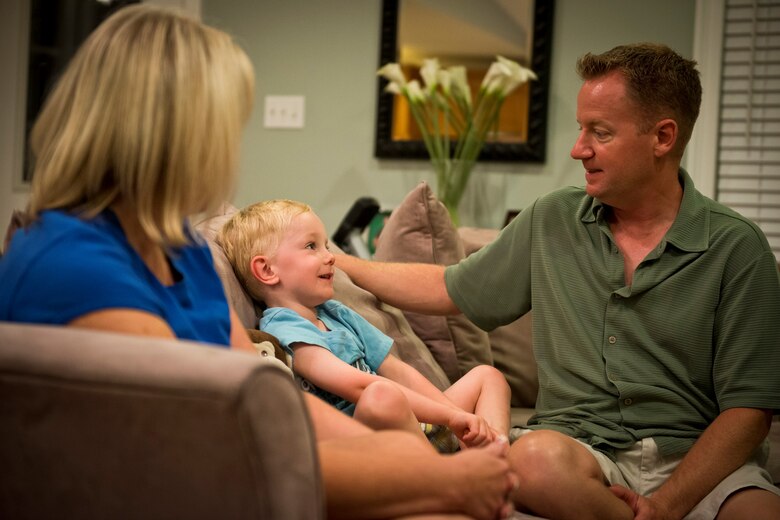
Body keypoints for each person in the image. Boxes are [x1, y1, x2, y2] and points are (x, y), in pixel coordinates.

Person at [0, 6, 517, 519]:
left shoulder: (179, 248)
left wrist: (408, 461)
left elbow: (262, 396)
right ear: (175, 135)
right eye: (228, 126)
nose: (231, 150)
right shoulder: (74, 267)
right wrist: (440, 478)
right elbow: (193, 448)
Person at [336, 42, 780, 519]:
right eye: (580, 128)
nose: (578, 149)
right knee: (532, 463)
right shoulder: (552, 219)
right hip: (579, 451)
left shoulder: (736, 247)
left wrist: (669, 504)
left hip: (695, 461)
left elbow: (749, 411)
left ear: (663, 137)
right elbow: (450, 288)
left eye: (600, 132)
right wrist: (339, 262)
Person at [217, 199, 510, 451]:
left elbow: (398, 371)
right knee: (380, 398)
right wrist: (450, 417)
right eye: (311, 246)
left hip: (414, 423)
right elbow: (358, 385)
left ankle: (491, 453)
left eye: (326, 246)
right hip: (369, 442)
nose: (330, 257)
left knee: (488, 376)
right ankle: (441, 477)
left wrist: (456, 417)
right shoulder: (285, 329)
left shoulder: (336, 313)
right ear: (267, 270)